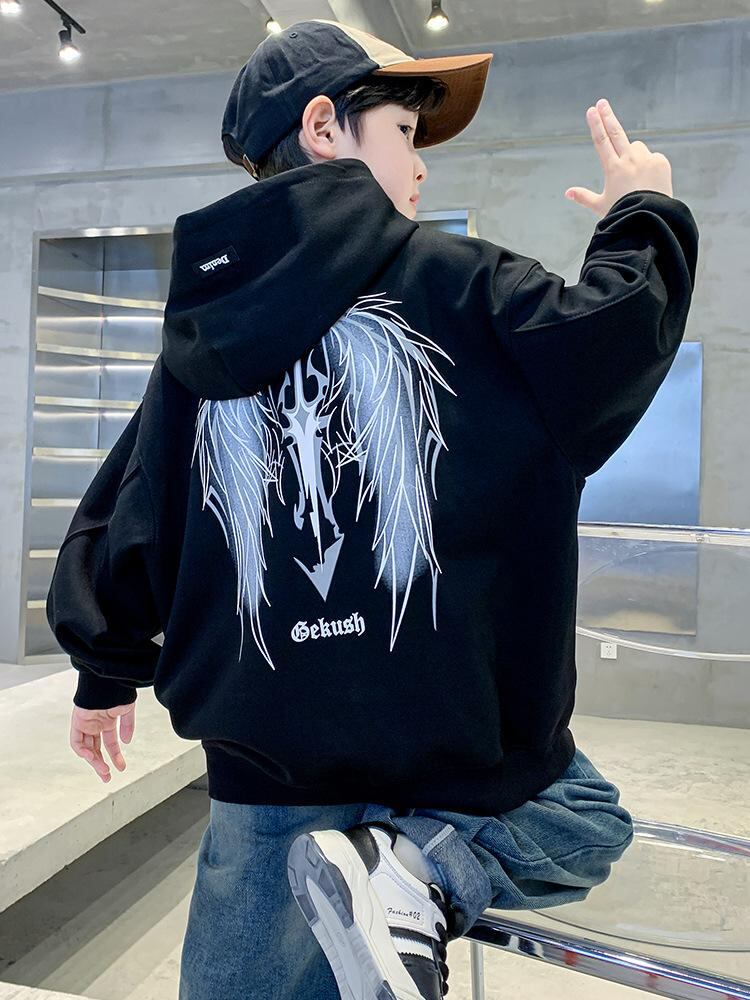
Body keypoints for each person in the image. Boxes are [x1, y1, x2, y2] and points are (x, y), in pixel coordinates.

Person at [46, 18, 699, 1000]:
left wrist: (104, 670)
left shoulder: (197, 337)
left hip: (268, 767)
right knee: (583, 816)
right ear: (324, 127)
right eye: (403, 131)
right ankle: (415, 872)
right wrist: (643, 216)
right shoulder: (459, 284)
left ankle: (393, 887)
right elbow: (605, 343)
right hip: (453, 754)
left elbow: (134, 506)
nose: (422, 164)